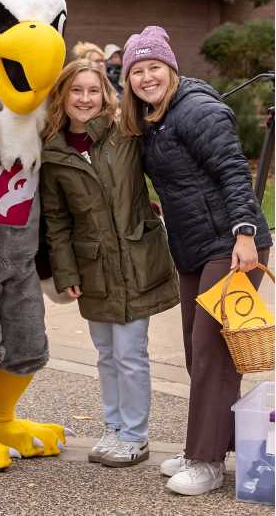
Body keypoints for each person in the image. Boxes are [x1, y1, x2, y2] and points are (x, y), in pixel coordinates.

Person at [120, 25, 272, 495]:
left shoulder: (198, 110)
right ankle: (224, 446)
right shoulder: (153, 117)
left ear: (171, 67)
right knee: (197, 351)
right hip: (194, 247)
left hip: (229, 247)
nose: (147, 77)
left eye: (154, 67)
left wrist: (244, 235)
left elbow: (232, 172)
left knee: (212, 353)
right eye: (137, 71)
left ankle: (205, 463)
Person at [40, 59, 180, 468]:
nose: (85, 99)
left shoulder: (126, 135)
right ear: (63, 97)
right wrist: (64, 271)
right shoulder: (54, 152)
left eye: (93, 90)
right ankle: (114, 427)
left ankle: (135, 436)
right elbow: (57, 220)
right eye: (76, 91)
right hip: (93, 267)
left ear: (106, 94)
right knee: (106, 352)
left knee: (131, 352)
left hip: (136, 259)